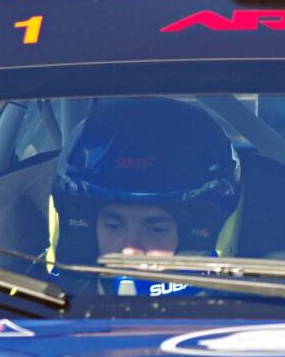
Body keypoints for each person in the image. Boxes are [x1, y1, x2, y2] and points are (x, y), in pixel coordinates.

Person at [47, 98, 242, 293]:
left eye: (155, 229)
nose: (130, 251)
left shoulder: (259, 316)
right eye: (114, 226)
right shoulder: (31, 306)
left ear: (197, 233)